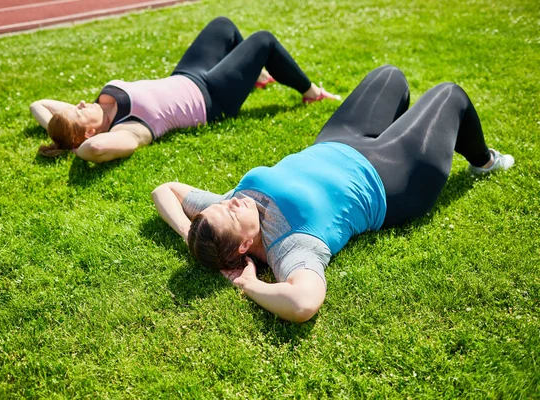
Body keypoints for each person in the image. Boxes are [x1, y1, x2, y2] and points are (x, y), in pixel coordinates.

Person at [151, 65, 514, 322]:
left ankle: (397, 127)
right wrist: (250, 285)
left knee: (389, 76)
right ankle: (484, 160)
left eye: (223, 205)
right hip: (391, 176)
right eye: (230, 213)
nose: (230, 202)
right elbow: (303, 303)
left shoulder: (226, 211)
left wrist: (188, 233)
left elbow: (164, 189)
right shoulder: (291, 247)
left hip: (338, 141)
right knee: (450, 95)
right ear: (245, 247)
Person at [30, 17, 339, 163]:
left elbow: (38, 104)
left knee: (223, 26)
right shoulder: (128, 130)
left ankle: (253, 75)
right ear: (87, 133)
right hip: (212, 98)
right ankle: (310, 92)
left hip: (188, 74)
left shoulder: (96, 110)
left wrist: (58, 131)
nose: (81, 102)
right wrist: (73, 149)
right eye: (78, 111)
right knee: (263, 40)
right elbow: (94, 150)